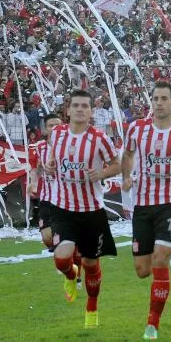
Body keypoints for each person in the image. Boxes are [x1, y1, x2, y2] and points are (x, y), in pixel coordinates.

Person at [120, 81, 171, 341]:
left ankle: (152, 323)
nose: (159, 103)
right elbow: (128, 155)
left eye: (165, 98)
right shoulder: (137, 129)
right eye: (156, 98)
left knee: (160, 258)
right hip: (143, 206)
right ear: (151, 102)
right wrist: (127, 176)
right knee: (143, 270)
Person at [43, 89, 120, 328]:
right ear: (68, 110)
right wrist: (50, 165)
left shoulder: (99, 139)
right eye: (75, 105)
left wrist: (102, 173)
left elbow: (118, 164)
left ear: (90, 111)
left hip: (91, 211)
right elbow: (52, 160)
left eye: (84, 106)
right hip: (63, 207)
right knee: (61, 257)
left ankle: (92, 308)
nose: (79, 109)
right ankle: (69, 274)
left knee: (91, 264)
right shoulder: (56, 134)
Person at [27, 114, 62, 250]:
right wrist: (33, 182)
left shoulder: (70, 147)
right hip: (47, 198)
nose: (54, 129)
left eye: (57, 126)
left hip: (65, 199)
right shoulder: (40, 146)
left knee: (63, 240)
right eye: (51, 126)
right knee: (47, 239)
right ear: (45, 129)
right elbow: (39, 166)